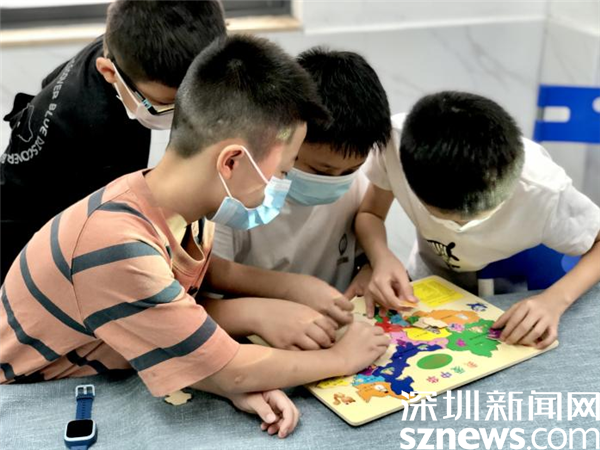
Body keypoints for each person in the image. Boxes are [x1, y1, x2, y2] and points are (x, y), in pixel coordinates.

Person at [0, 35, 390, 438]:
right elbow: (231, 367)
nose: (281, 186)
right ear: (232, 161)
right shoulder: (115, 246)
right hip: (34, 401)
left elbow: (191, 298)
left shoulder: (178, 206)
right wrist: (342, 358)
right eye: (283, 172)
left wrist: (283, 297)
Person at [1, 0, 226, 283]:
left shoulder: (131, 45)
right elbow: (114, 239)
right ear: (109, 71)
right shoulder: (93, 126)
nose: (180, 114)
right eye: (165, 105)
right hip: (27, 256)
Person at [356, 91, 600, 347]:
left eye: (480, 213)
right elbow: (370, 213)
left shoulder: (544, 190)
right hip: (432, 281)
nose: (462, 226)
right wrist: (380, 258)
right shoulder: (394, 144)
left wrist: (554, 300)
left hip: (510, 285)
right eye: (449, 218)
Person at [214, 47, 393, 303]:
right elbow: (211, 276)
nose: (335, 181)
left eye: (351, 171)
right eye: (321, 170)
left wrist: (368, 269)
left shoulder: (358, 185)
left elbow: (365, 254)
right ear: (285, 135)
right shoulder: (234, 193)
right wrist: (290, 288)